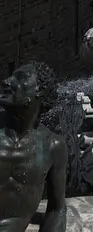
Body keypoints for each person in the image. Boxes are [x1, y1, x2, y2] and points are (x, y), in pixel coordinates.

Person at [0, 62, 67, 232]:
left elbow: (57, 209)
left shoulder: (53, 146)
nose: (6, 81)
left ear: (39, 90)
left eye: (20, 78)